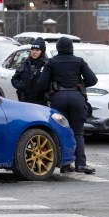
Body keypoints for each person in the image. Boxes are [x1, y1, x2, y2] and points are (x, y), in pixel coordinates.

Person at [38, 36, 98, 175]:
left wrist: (50, 91)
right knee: (78, 132)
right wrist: (81, 83)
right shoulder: (79, 61)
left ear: (58, 48)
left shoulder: (51, 63)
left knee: (62, 132)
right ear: (71, 47)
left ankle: (65, 165)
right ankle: (81, 165)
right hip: (77, 98)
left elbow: (42, 84)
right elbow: (93, 80)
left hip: (58, 98)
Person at [11, 37, 48, 105]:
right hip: (25, 101)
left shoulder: (47, 64)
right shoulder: (25, 63)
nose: (34, 52)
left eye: (37, 50)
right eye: (32, 49)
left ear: (42, 51)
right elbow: (14, 79)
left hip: (41, 102)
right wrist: (21, 86)